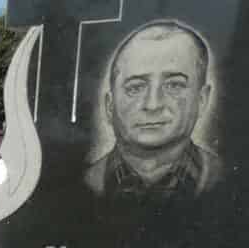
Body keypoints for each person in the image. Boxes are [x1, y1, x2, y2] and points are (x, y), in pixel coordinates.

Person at [86, 19, 219, 204]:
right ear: (110, 105)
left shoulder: (232, 180)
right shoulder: (74, 184)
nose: (153, 104)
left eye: (174, 85)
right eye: (135, 88)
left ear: (201, 99)